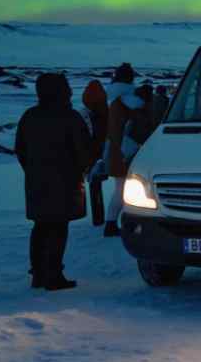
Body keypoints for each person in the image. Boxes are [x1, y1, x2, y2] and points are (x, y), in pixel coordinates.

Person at [14, 72, 98, 291]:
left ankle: (39, 274)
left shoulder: (30, 116)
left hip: (37, 182)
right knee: (58, 227)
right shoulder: (69, 118)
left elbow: (20, 150)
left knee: (41, 226)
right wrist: (79, 169)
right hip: (65, 183)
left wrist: (33, 170)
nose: (71, 91)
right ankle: (53, 275)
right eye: (67, 87)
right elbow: (84, 152)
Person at [102, 63, 147, 237]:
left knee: (121, 189)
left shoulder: (116, 101)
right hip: (126, 151)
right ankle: (112, 224)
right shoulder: (129, 102)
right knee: (124, 190)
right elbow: (130, 128)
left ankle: (113, 223)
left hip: (117, 150)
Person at [80, 79, 110, 225]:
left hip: (91, 153)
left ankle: (98, 218)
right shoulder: (107, 111)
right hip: (106, 151)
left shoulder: (84, 113)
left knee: (93, 185)